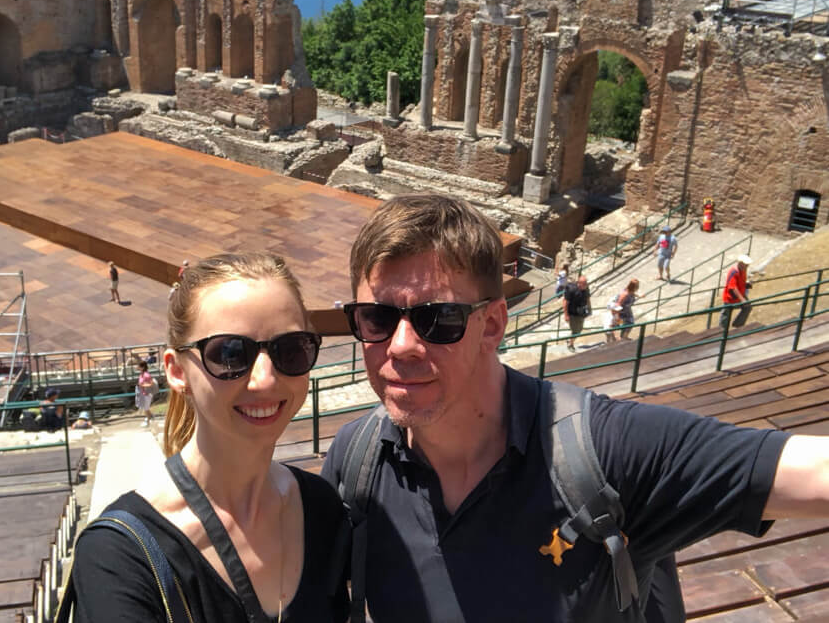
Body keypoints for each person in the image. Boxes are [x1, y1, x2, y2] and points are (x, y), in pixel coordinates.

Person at [321, 193, 829, 622]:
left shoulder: (606, 451)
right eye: (376, 317)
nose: (403, 344)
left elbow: (812, 473)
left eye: (441, 319)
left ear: (493, 326)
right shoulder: (356, 461)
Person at [71, 252, 349, 622]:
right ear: (176, 371)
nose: (265, 379)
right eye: (230, 354)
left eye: (291, 349)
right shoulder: (118, 556)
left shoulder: (321, 507)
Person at [720, 254, 753, 329]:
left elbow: (740, 282)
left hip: (740, 295)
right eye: (746, 265)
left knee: (747, 307)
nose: (747, 266)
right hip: (730, 298)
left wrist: (746, 284)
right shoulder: (734, 271)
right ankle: (721, 330)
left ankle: (738, 324)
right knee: (726, 315)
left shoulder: (743, 270)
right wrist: (742, 299)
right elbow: (733, 287)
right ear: (741, 263)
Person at [562, 274, 591, 351]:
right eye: (584, 283)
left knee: (579, 329)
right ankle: (570, 345)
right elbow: (565, 302)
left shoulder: (586, 289)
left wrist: (589, 309)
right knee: (576, 331)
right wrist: (566, 315)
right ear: (579, 283)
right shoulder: (572, 289)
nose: (586, 285)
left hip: (581, 312)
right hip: (573, 313)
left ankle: (570, 340)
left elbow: (588, 298)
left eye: (586, 283)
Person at [135, 358, 158, 426]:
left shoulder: (146, 375)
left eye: (139, 366)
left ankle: (148, 421)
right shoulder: (142, 374)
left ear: (142, 367)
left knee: (145, 408)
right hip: (143, 393)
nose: (137, 367)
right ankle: (152, 419)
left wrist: (142, 385)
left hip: (147, 394)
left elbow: (151, 383)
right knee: (146, 408)